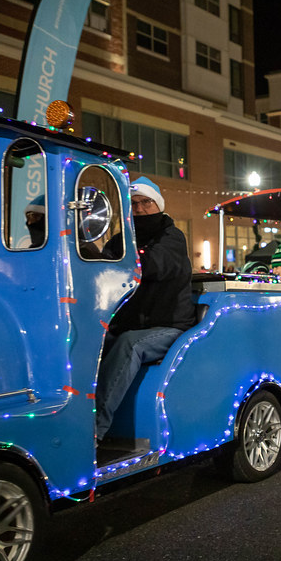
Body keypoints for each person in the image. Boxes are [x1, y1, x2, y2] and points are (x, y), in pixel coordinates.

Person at [95, 177, 195, 442]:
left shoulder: (172, 237)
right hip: (130, 323)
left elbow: (155, 265)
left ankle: (95, 428)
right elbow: (101, 270)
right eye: (134, 204)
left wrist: (120, 264)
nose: (139, 209)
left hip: (168, 324)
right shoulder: (120, 240)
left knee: (130, 345)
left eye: (146, 202)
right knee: (90, 342)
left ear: (158, 205)